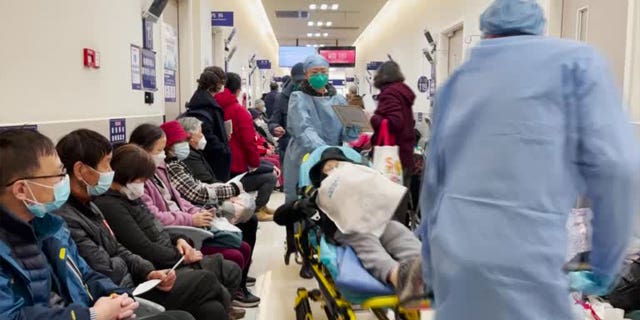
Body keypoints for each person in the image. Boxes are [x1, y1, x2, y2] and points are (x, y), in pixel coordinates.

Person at [420, 1, 640, 319]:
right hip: (523, 258)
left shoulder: (457, 81)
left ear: (487, 31)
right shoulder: (576, 63)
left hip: (453, 255)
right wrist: (605, 261)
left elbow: (433, 184)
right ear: (538, 27)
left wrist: (430, 262)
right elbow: (617, 169)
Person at [54, 129, 243, 320]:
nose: (112, 172)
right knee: (206, 282)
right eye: (107, 166)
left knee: (211, 309)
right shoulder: (73, 216)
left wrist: (148, 271)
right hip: (122, 292)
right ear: (81, 171)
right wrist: (140, 269)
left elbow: (118, 249)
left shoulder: (91, 205)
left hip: (139, 278)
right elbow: (106, 268)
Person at [0, 129, 148, 320]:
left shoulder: (51, 227)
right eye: (58, 174)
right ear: (22, 189)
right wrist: (93, 315)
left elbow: (85, 275)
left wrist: (116, 296)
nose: (64, 181)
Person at [130, 123, 261, 307]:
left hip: (188, 223)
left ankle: (233, 292)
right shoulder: (139, 182)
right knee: (237, 252)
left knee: (243, 244)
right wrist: (192, 219)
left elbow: (179, 200)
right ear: (144, 150)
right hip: (181, 232)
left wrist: (197, 212)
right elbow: (157, 216)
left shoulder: (161, 169)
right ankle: (230, 297)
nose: (163, 154)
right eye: (160, 150)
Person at [274, 147, 423, 303]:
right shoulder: (319, 195)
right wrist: (298, 205)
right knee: (366, 242)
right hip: (347, 227)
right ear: (322, 176)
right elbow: (280, 217)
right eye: (329, 168)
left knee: (398, 231)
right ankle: (397, 276)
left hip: (378, 219)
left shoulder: (365, 183)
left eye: (339, 166)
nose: (335, 170)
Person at [283, 55, 360, 204]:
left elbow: (347, 136)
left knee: (332, 202)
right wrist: (325, 152)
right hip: (303, 157)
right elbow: (303, 129)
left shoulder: (339, 100)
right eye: (314, 72)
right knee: (299, 202)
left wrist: (354, 126)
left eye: (323, 71)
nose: (320, 76)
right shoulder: (298, 98)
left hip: (332, 159)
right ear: (306, 74)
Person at [215, 72, 277, 221]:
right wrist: (254, 163)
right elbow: (248, 141)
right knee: (271, 176)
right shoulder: (239, 111)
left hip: (220, 165)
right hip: (237, 167)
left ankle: (260, 207)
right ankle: (256, 209)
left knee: (270, 166)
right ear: (238, 90)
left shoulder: (215, 109)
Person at [371, 61, 416, 188]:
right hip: (404, 154)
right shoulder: (402, 92)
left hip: (392, 158)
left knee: (389, 200)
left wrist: (374, 118)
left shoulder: (389, 93)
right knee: (401, 199)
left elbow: (395, 122)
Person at [184, 68, 232, 182]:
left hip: (208, 155)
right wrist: (223, 148)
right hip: (212, 158)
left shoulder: (197, 103)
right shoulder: (207, 107)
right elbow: (208, 134)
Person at [269, 62, 305, 167]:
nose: (301, 84)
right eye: (298, 81)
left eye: (304, 81)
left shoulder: (314, 97)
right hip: (288, 148)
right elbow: (273, 121)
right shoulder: (282, 98)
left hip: (310, 149)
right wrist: (274, 128)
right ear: (292, 79)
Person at [178, 116, 222, 184]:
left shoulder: (193, 151)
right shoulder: (189, 155)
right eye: (200, 132)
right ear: (190, 135)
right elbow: (206, 179)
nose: (202, 136)